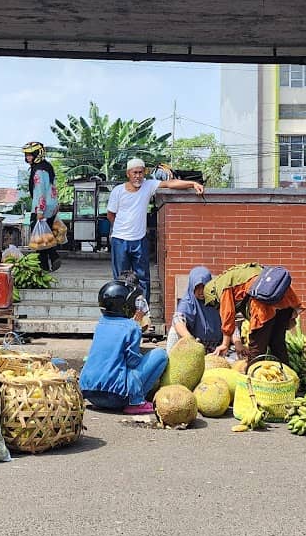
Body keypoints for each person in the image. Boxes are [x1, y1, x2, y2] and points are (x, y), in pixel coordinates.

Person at [105, 158, 204, 316]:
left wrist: (192, 184)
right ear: (128, 174)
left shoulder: (148, 185)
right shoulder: (118, 191)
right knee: (120, 278)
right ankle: (121, 313)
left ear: (144, 173)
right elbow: (111, 215)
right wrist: (122, 229)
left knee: (143, 278)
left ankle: (143, 314)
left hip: (139, 240)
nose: (138, 176)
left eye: (140, 172)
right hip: (120, 240)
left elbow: (170, 184)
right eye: (134, 173)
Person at [79, 280, 167, 415]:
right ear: (124, 305)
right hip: (115, 398)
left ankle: (129, 399)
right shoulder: (132, 327)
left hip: (91, 395)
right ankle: (136, 401)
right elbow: (133, 362)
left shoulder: (100, 324)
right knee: (160, 355)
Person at [207, 263, 304, 365]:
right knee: (277, 343)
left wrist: (225, 344)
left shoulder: (222, 286)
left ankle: (252, 377)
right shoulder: (237, 274)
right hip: (284, 299)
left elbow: (228, 314)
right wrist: (237, 343)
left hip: (264, 305)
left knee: (256, 351)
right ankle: (285, 375)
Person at [23, 141, 61, 272]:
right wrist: (56, 204)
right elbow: (53, 188)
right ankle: (49, 263)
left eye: (30, 154)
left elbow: (40, 190)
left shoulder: (38, 171)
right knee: (45, 237)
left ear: (37, 154)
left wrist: (39, 210)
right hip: (51, 208)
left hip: (41, 209)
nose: (28, 157)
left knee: (39, 241)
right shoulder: (48, 168)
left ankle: (51, 259)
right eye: (27, 155)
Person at [168, 265, 224, 352]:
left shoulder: (217, 300)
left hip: (218, 348)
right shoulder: (188, 302)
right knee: (173, 332)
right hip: (194, 347)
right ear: (192, 287)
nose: (201, 291)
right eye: (197, 287)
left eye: (204, 287)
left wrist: (237, 343)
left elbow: (229, 323)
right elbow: (177, 320)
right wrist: (190, 339)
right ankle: (170, 361)